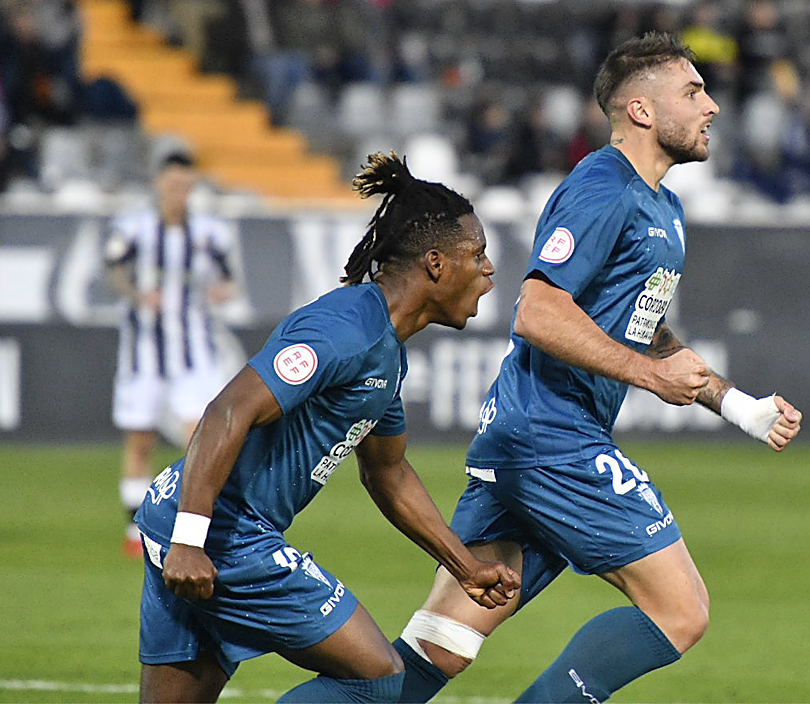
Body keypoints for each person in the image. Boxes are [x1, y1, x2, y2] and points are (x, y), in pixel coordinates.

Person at [390, 32, 803, 704]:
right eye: (693, 91)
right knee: (682, 611)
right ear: (640, 110)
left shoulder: (662, 207)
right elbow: (538, 311)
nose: (714, 106)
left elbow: (640, 326)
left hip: (528, 440)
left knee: (444, 643)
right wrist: (650, 378)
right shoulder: (602, 185)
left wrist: (737, 406)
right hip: (553, 436)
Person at [133, 153, 520, 704]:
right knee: (378, 676)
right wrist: (191, 541)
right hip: (222, 533)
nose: (488, 269)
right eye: (477, 253)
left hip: (183, 520)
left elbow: (388, 473)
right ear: (436, 263)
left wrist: (465, 567)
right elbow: (227, 411)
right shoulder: (345, 329)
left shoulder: (385, 354)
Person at [106, 152, 238, 558]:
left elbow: (230, 279)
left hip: (193, 352)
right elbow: (114, 270)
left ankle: (188, 520)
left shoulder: (210, 232)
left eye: (186, 185)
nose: (179, 193)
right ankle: (134, 528)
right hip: (143, 352)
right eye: (173, 184)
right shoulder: (133, 227)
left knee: (198, 437)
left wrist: (222, 290)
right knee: (140, 439)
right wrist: (137, 294)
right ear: (159, 184)